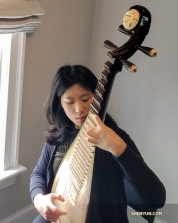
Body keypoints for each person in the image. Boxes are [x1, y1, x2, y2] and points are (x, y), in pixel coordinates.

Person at [29, 65, 166, 223]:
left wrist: (117, 148)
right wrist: (39, 199)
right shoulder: (58, 134)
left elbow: (156, 198)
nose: (79, 109)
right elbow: (38, 174)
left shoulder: (114, 137)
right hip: (62, 216)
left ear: (97, 97)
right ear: (60, 103)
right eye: (69, 102)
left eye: (86, 99)